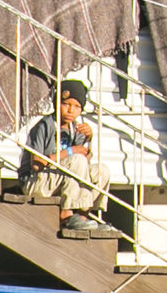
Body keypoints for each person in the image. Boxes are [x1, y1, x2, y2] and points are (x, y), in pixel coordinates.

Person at [19, 81, 105, 234]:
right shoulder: (45, 125)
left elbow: (83, 163)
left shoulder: (75, 128)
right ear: (57, 104)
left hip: (57, 181)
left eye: (77, 107)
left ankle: (83, 215)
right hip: (35, 181)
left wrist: (88, 140)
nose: (71, 110)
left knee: (101, 170)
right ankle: (66, 215)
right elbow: (37, 164)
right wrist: (70, 152)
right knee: (76, 160)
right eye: (66, 104)